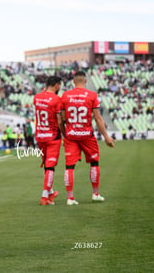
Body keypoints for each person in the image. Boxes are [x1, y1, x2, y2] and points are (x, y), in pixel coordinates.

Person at [59, 71, 115, 205]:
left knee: (69, 167)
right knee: (94, 163)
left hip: (71, 136)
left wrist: (64, 135)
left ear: (73, 82)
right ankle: (95, 194)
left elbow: (61, 120)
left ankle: (70, 198)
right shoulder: (92, 96)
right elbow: (98, 118)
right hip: (87, 135)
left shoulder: (65, 96)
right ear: (85, 81)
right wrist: (106, 137)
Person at [33, 76, 63, 206]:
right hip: (52, 136)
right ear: (56, 85)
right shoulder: (57, 99)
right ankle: (44, 196)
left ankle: (50, 192)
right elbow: (59, 120)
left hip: (40, 135)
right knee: (50, 166)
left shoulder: (37, 97)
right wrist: (65, 133)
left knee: (46, 165)